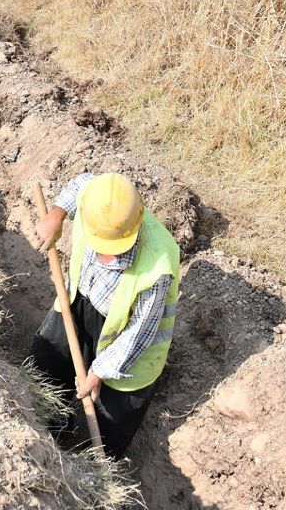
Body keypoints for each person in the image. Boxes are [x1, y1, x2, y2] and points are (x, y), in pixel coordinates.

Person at [31, 172, 182, 459]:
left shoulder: (157, 263)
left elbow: (140, 333)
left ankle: (93, 471)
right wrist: (56, 215)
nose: (107, 257)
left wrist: (98, 372)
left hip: (132, 345)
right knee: (46, 364)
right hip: (81, 304)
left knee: (111, 425)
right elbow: (78, 185)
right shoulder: (98, 199)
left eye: (115, 250)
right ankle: (49, 434)